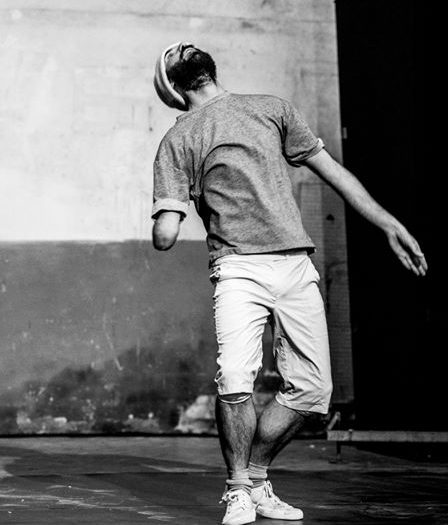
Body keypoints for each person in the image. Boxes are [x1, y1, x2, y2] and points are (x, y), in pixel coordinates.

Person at [150, 42, 427, 525]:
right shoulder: (178, 139)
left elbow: (332, 171)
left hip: (295, 263)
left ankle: (256, 479)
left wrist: (387, 222)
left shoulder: (271, 108)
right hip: (238, 267)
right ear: (172, 85)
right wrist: (166, 219)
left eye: (187, 47)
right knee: (236, 379)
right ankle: (238, 489)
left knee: (313, 390)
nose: (184, 50)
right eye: (174, 54)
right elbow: (165, 234)